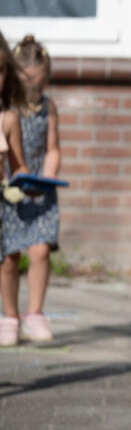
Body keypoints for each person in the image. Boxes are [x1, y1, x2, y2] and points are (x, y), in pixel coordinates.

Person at [0, 35, 61, 344]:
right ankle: (9, 315)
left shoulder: (47, 108)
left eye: (40, 82)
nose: (34, 89)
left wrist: (47, 176)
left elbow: (53, 148)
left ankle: (34, 313)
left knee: (39, 250)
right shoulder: (9, 110)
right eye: (29, 82)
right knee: (8, 256)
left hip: (39, 191)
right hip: (10, 191)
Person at [0, 30, 29, 347]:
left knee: (9, 261)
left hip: (2, 203)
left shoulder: (8, 119)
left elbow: (19, 165)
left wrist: (25, 185)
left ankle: (10, 316)